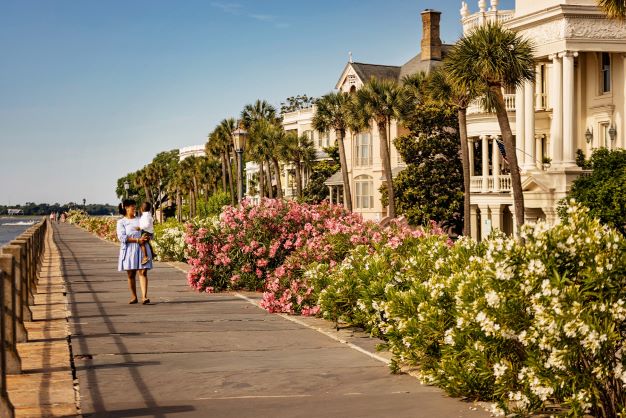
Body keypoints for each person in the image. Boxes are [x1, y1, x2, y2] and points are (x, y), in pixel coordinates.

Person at [116, 199, 152, 305]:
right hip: (129, 249)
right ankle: (133, 296)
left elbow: (148, 230)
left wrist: (147, 237)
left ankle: (144, 297)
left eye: (134, 206)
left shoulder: (140, 219)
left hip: (142, 247)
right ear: (126, 208)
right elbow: (122, 237)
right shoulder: (121, 222)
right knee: (131, 274)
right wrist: (136, 240)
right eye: (132, 206)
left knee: (143, 271)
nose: (134, 208)